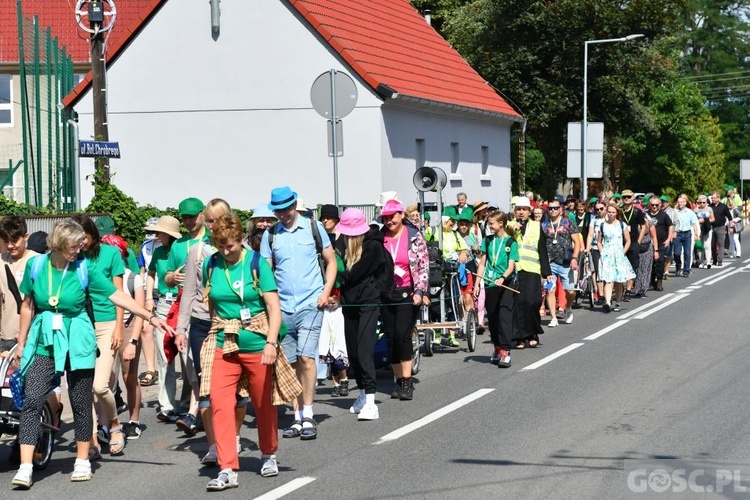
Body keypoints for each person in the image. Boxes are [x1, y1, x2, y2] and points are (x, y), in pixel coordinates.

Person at [10, 220, 172, 488]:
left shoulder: (84, 267)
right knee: (33, 399)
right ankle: (25, 467)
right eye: (75, 245)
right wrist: (22, 341)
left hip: (78, 336)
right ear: (61, 245)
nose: (80, 249)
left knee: (81, 399)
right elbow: (27, 305)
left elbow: (117, 295)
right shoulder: (36, 266)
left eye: (81, 244)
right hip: (44, 337)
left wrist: (150, 317)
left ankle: (83, 460)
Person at [203, 214, 284, 489]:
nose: (226, 252)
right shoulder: (211, 264)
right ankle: (227, 467)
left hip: (256, 342)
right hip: (224, 343)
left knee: (263, 403)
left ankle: (268, 453)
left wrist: (271, 343)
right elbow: (212, 304)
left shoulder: (256, 263)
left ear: (241, 241)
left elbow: (273, 306)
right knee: (219, 403)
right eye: (221, 246)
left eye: (231, 246)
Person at [261, 186, 337, 440]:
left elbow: (331, 261)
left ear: (294, 205)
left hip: (310, 304)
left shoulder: (313, 229)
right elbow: (265, 272)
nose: (282, 214)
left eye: (286, 209)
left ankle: (308, 414)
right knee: (291, 362)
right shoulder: (271, 235)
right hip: (283, 308)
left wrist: (325, 292)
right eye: (278, 210)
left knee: (306, 358)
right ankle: (295, 417)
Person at [175, 199, 246, 464]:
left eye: (218, 220)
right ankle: (215, 444)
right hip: (201, 323)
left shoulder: (241, 250)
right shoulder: (196, 250)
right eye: (210, 220)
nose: (213, 225)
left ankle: (233, 436)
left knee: (235, 390)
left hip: (231, 324)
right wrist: (181, 328)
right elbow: (189, 293)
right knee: (205, 387)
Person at [70, 215, 127, 457]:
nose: (80, 242)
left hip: (107, 323)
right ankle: (91, 438)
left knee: (100, 385)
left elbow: (119, 292)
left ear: (92, 234)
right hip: (81, 324)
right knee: (83, 387)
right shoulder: (71, 257)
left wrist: (119, 327)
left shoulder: (111, 254)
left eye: (83, 236)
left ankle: (114, 425)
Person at [336, 208, 384, 420]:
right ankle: (363, 393)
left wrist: (337, 268)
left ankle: (372, 401)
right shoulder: (341, 245)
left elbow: (353, 274)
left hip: (368, 302)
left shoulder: (373, 247)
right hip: (349, 304)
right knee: (353, 351)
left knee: (364, 350)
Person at [379, 199, 429, 400]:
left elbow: (422, 266)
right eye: (386, 218)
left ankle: (407, 381)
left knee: (403, 334)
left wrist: (420, 291)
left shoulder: (414, 236)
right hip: (386, 293)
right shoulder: (380, 237)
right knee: (390, 337)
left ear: (401, 215)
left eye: (392, 216)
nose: (389, 221)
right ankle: (398, 380)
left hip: (408, 292)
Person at [145, 216, 189, 424]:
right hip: (163, 304)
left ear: (170, 234)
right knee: (164, 356)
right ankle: (167, 405)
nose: (156, 236)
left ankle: (189, 403)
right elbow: (150, 273)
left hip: (184, 305)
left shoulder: (185, 249)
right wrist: (148, 297)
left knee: (186, 357)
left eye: (159, 233)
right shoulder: (158, 252)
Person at [474, 211, 517, 368]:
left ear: (501, 224)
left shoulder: (511, 242)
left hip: (506, 284)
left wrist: (503, 278)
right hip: (491, 283)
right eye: (488, 223)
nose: (489, 226)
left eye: (491, 223)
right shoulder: (487, 240)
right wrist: (477, 284)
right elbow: (482, 264)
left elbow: (511, 265)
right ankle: (497, 347)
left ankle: (506, 350)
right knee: (492, 317)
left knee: (504, 315)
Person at [512, 196, 551, 348]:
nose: (521, 212)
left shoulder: (536, 226)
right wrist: (512, 230)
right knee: (517, 304)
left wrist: (546, 272)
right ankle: (520, 337)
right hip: (515, 270)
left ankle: (532, 333)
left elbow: (542, 249)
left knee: (532, 302)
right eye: (518, 209)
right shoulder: (510, 226)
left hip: (533, 269)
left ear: (529, 211)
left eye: (524, 209)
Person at [541, 197, 580, 326]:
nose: (552, 210)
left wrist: (574, 258)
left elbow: (577, 242)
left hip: (565, 262)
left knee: (570, 291)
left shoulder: (568, 223)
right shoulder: (544, 225)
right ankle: (553, 318)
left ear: (561, 209)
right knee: (550, 290)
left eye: (555, 208)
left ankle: (568, 307)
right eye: (550, 208)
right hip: (550, 263)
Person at [597, 206, 635, 313]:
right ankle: (608, 302)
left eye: (613, 212)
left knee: (619, 281)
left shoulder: (622, 225)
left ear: (616, 213)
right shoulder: (602, 225)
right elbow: (599, 241)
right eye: (609, 212)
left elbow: (628, 241)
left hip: (619, 255)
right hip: (607, 255)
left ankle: (618, 302)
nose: (611, 214)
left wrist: (623, 252)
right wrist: (602, 252)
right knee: (608, 280)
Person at [137, 217, 160, 388]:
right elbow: (142, 269)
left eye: (154, 231)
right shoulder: (145, 247)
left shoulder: (170, 246)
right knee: (146, 328)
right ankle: (151, 369)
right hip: (149, 291)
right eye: (149, 231)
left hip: (166, 291)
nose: (151, 234)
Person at [619, 189, 647, 299]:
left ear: (632, 198)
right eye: (624, 197)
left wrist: (639, 241)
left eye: (628, 197)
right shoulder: (619, 211)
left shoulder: (637, 211)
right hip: (620, 243)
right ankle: (620, 289)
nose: (626, 199)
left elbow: (643, 226)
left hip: (634, 242)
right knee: (620, 267)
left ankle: (628, 290)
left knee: (632, 266)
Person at [644, 197, 673, 291]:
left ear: (660, 205)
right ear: (649, 205)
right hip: (648, 243)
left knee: (660, 260)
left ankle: (659, 279)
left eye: (656, 205)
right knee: (650, 262)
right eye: (652, 205)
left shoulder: (663, 215)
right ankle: (651, 281)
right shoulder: (645, 215)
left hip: (661, 242)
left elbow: (670, 226)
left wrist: (669, 239)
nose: (654, 207)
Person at [671, 195, 700, 277]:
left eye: (682, 202)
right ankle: (678, 266)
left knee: (687, 253)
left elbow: (694, 224)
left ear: (685, 203)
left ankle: (686, 270)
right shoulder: (675, 212)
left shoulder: (690, 212)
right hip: (678, 233)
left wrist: (696, 234)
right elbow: (672, 223)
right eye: (679, 202)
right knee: (677, 253)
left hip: (687, 233)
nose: (680, 204)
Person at [709, 191, 733, 267]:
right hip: (712, 228)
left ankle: (720, 260)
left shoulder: (723, 206)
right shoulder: (710, 207)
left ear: (718, 198)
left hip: (721, 227)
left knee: (720, 244)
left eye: (714, 198)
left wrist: (731, 227)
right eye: (712, 198)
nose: (712, 199)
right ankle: (714, 259)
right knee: (712, 245)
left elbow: (730, 217)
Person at [694, 195, 714, 268]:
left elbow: (713, 219)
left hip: (707, 228)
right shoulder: (696, 210)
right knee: (700, 245)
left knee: (707, 245)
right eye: (700, 202)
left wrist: (707, 221)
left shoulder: (709, 209)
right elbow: (694, 221)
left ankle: (708, 261)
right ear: (698, 203)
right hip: (699, 229)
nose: (702, 204)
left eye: (704, 202)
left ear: (706, 202)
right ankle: (701, 261)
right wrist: (699, 221)